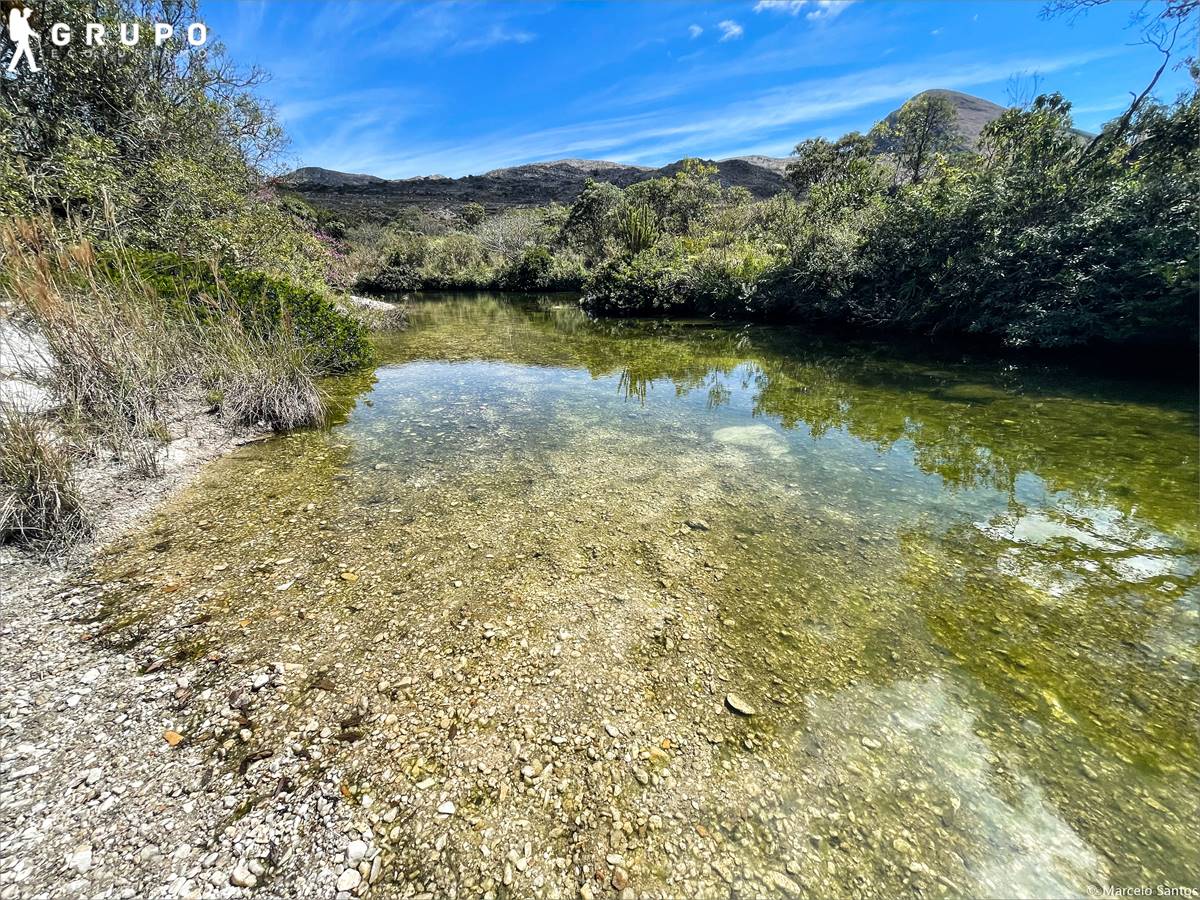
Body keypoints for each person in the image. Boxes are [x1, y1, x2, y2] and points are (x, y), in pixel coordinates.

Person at [7, 6, 40, 73]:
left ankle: (11, 68)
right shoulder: (23, 20)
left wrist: (35, 35)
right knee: (27, 54)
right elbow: (28, 31)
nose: (30, 14)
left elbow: (28, 31)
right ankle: (33, 68)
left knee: (19, 54)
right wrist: (35, 35)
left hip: (23, 39)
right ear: (26, 13)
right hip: (23, 40)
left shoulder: (23, 20)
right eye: (29, 13)